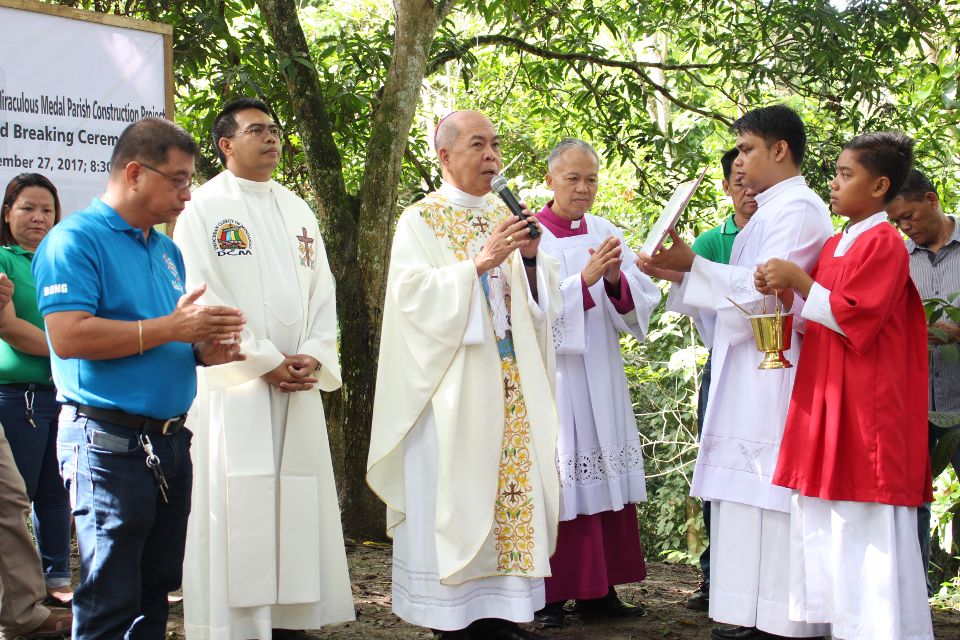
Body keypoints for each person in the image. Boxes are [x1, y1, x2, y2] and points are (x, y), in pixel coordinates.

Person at [32, 117, 246, 640]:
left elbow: (163, 337)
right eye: (177, 179)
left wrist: (203, 349)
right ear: (134, 173)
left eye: (189, 180)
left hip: (169, 444)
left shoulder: (166, 251)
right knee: (110, 598)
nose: (187, 194)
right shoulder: (73, 241)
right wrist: (172, 327)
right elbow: (69, 337)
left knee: (156, 590)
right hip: (108, 445)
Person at [637, 104, 833, 640]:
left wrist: (692, 266)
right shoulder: (771, 209)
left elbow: (764, 294)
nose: (739, 163)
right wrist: (682, 269)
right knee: (743, 498)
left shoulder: (798, 210)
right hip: (746, 371)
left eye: (747, 150)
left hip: (774, 374)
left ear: (780, 150)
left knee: (770, 496)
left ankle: (778, 618)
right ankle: (743, 610)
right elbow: (739, 290)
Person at [366, 110, 559, 640]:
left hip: (509, 379)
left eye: (496, 144)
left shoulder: (506, 214)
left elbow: (541, 306)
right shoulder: (420, 220)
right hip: (451, 388)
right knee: (456, 494)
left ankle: (507, 610)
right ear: (445, 155)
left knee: (509, 495)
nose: (492, 156)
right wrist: (476, 264)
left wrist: (535, 261)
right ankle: (453, 617)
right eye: (479, 144)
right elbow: (409, 300)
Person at [173, 97, 354, 640]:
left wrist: (315, 355)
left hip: (297, 384)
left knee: (295, 499)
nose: (272, 138)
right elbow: (201, 293)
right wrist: (267, 361)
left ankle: (291, 619)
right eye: (257, 131)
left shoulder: (297, 207)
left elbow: (324, 291)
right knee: (239, 499)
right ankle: (239, 626)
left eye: (274, 130)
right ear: (226, 145)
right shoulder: (202, 208)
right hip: (239, 388)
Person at [756, 131, 933, 640]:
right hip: (832, 397)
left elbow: (856, 316)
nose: (832, 185)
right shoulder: (838, 242)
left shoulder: (884, 243)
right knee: (834, 520)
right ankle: (846, 627)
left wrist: (801, 280)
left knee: (866, 522)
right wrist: (783, 287)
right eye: (834, 174)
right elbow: (819, 318)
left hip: (868, 406)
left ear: (879, 185)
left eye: (844, 175)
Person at [532, 138, 660, 628]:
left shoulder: (606, 230)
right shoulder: (530, 238)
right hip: (556, 378)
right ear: (550, 180)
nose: (584, 189)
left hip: (601, 370)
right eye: (573, 178)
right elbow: (532, 314)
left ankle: (598, 589)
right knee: (561, 476)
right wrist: (583, 280)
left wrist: (611, 282)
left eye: (591, 179)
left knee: (602, 468)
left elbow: (637, 302)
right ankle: (548, 596)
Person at [686, 148, 759, 612]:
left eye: (754, 181)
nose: (748, 190)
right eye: (738, 180)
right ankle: (715, 577)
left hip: (776, 362)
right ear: (728, 187)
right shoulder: (713, 240)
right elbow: (690, 290)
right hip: (727, 358)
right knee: (719, 464)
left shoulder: (786, 227)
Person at [886, 169, 960, 595]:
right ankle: (913, 593)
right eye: (898, 221)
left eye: (910, 216)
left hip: (957, 395)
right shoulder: (898, 258)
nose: (906, 227)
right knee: (911, 498)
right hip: (914, 402)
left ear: (932, 200)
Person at [0, 174, 71, 605]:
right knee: (15, 500)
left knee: (56, 494)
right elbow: (8, 327)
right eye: (27, 208)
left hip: (60, 395)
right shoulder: (3, 261)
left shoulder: (62, 259)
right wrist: (73, 345)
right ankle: (17, 595)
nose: (38, 218)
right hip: (16, 397)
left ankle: (57, 582)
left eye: (47, 210)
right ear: (8, 213)